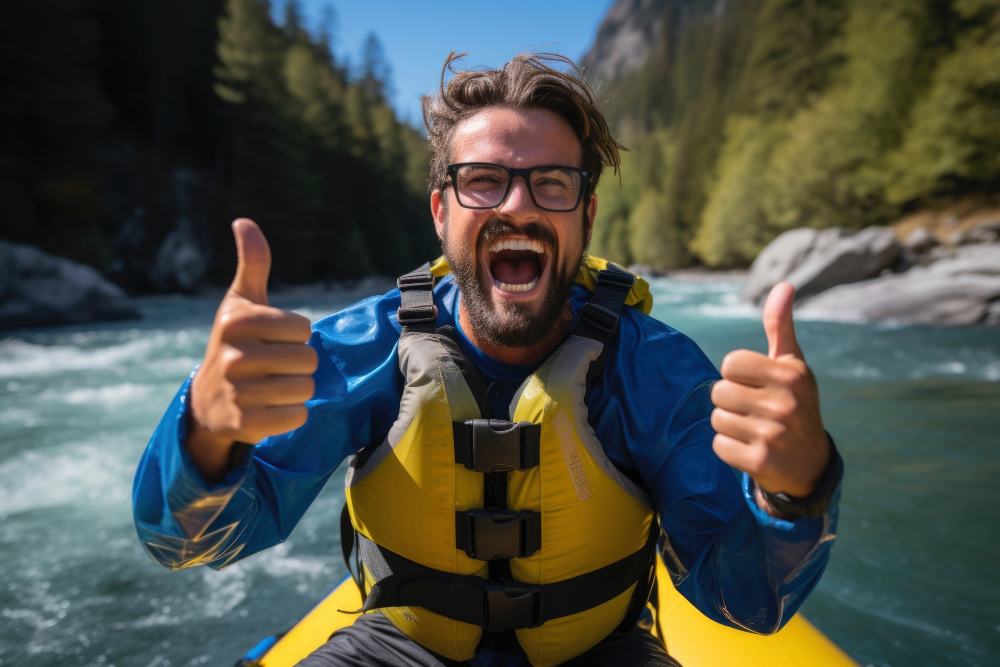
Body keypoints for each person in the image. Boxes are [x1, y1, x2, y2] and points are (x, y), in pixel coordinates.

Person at [132, 53, 842, 667]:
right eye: (483, 181)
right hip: (396, 646)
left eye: (552, 184)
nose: (518, 206)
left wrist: (794, 492)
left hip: (603, 651)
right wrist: (206, 432)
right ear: (441, 212)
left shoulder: (655, 369)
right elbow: (184, 543)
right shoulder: (364, 348)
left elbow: (746, 601)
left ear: (586, 217)